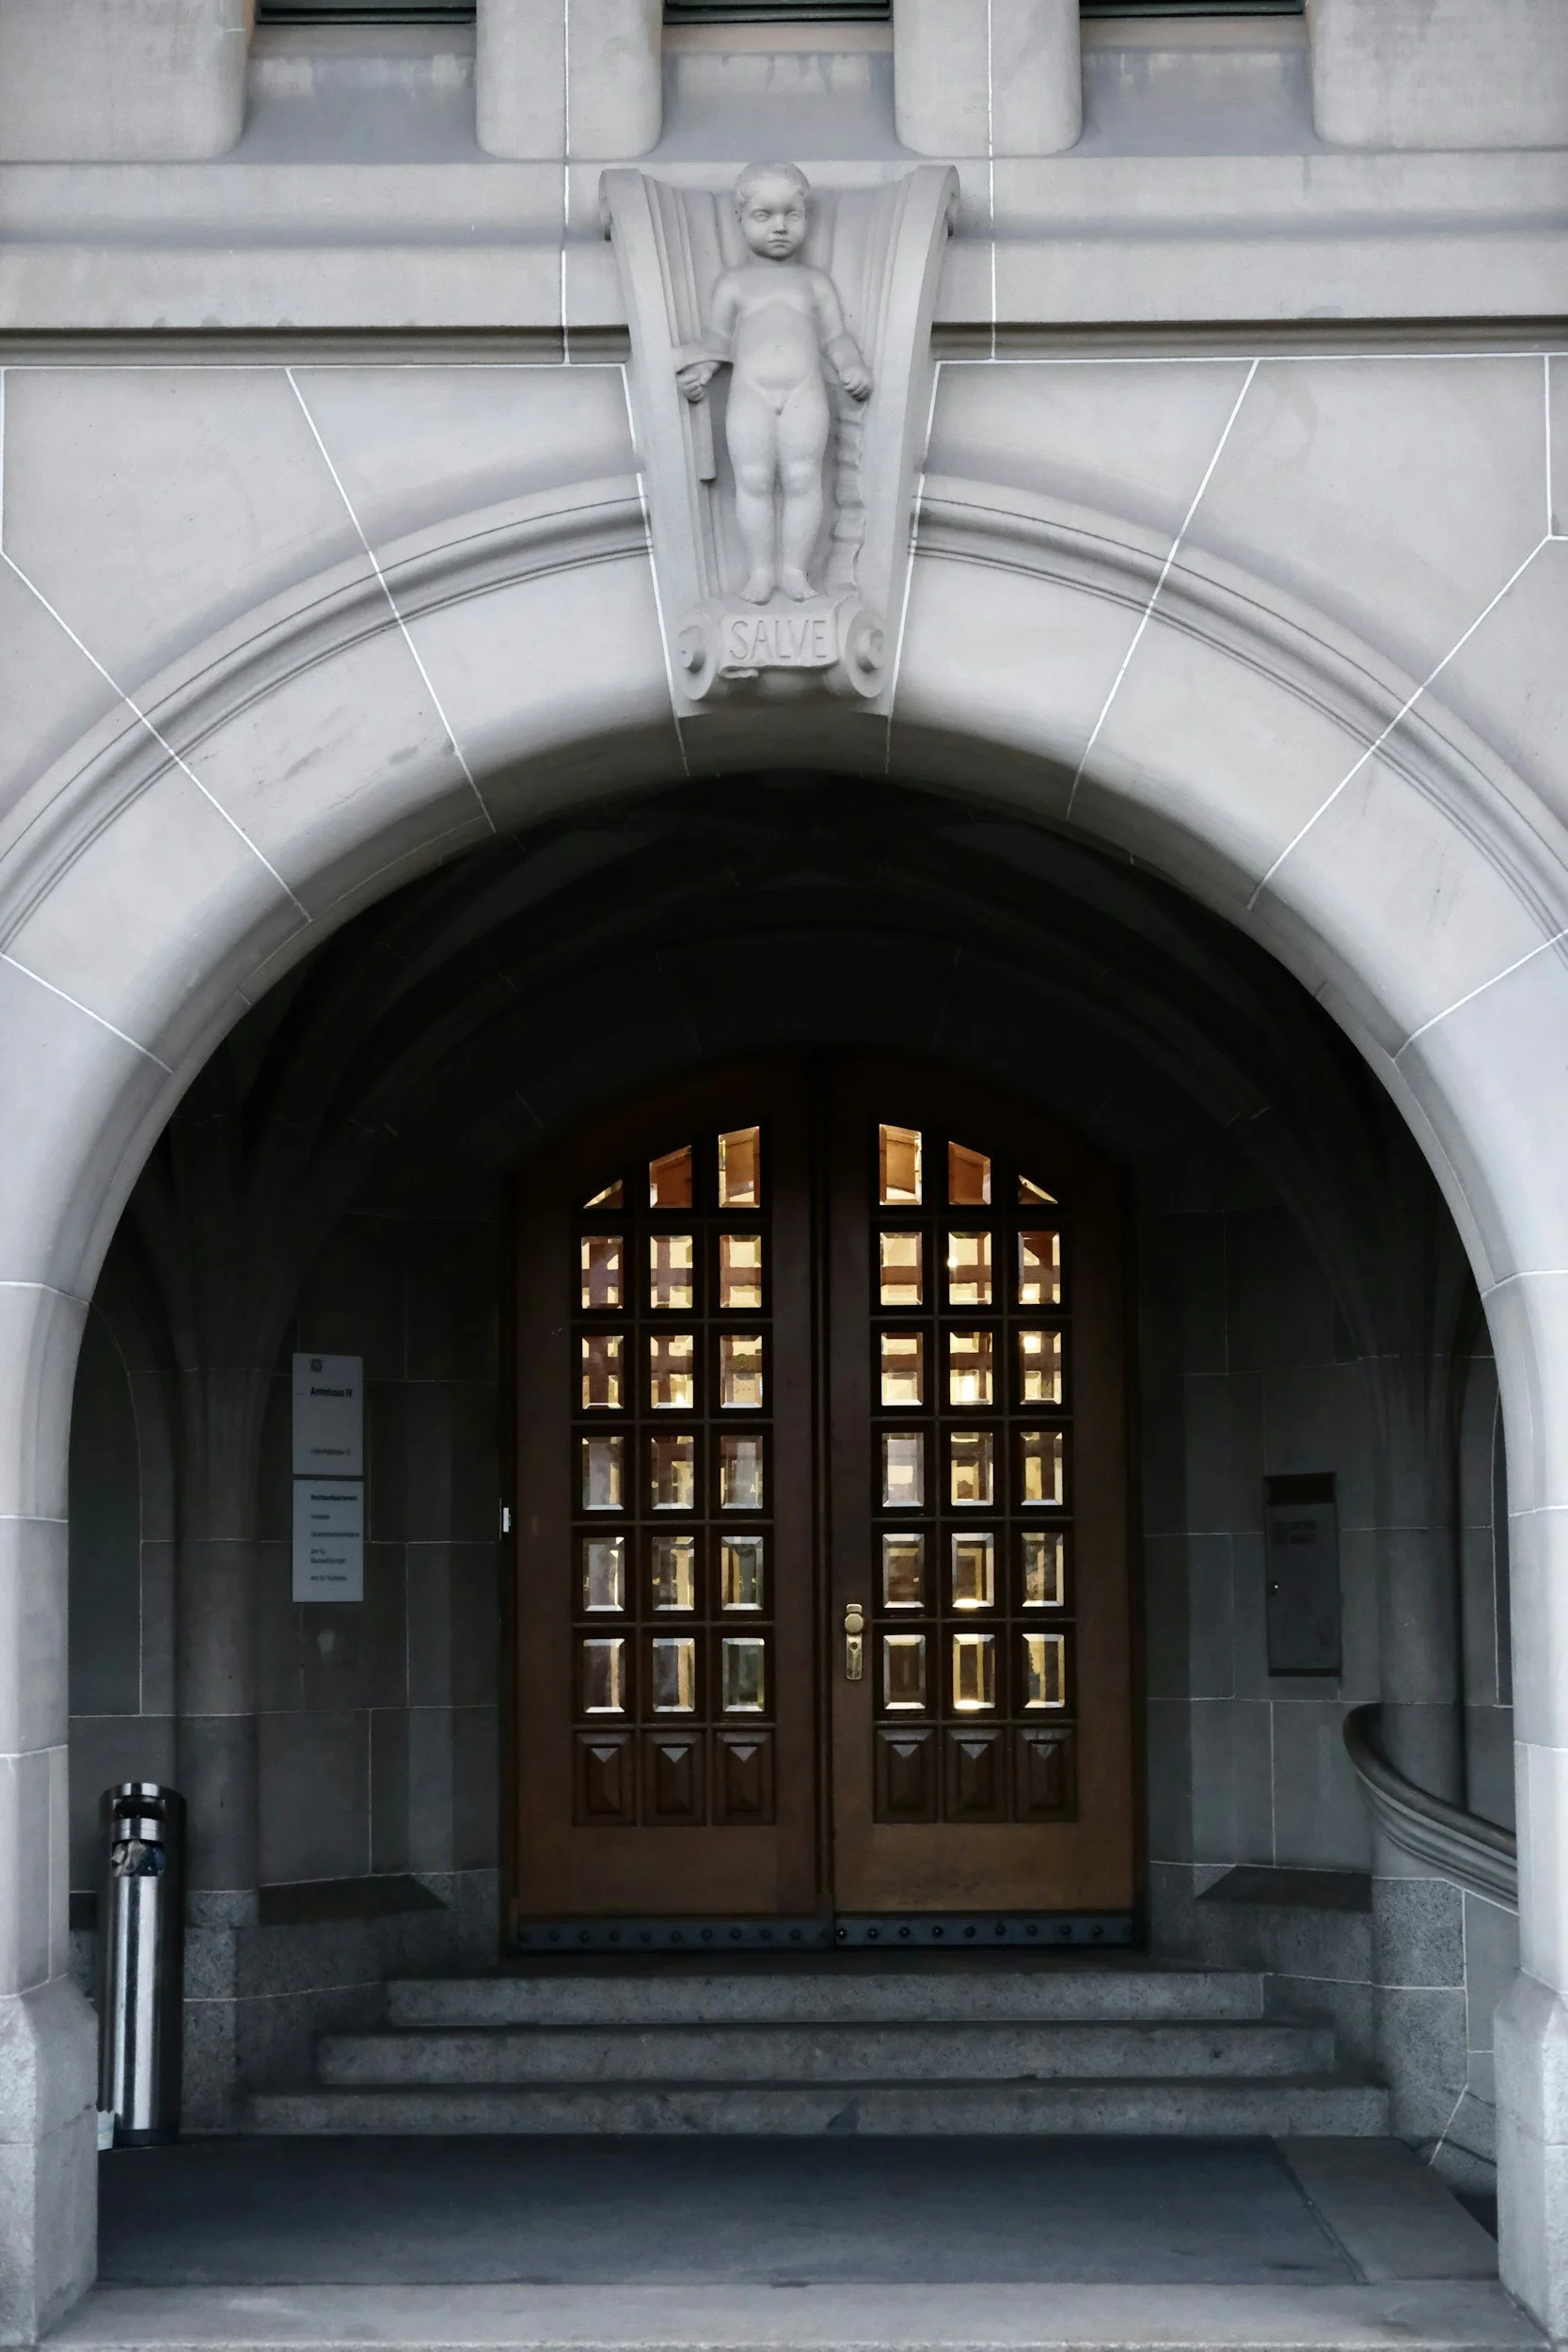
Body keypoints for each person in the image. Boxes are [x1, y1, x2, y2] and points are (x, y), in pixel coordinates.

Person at [678, 163, 872, 605]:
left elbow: (835, 336)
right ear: (740, 218)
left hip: (804, 392)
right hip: (751, 394)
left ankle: (794, 570)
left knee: (804, 478)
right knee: (753, 479)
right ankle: (761, 571)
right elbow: (718, 338)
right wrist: (701, 369)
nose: (780, 227)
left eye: (792, 215)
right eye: (764, 216)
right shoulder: (734, 284)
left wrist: (852, 365)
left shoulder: (814, 282)